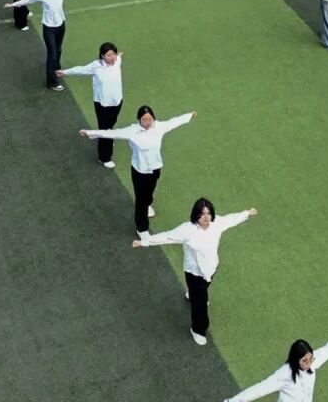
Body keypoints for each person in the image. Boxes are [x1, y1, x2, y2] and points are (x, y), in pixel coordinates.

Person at [132, 198, 257, 345]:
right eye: (202, 214)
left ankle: (192, 295)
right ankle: (198, 329)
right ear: (196, 214)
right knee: (201, 304)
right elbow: (167, 236)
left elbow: (231, 219)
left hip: (211, 268)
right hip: (194, 273)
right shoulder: (187, 230)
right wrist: (144, 242)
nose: (206, 217)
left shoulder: (217, 223)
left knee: (199, 293)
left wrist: (247, 213)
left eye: (208, 213)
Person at [83, 106, 194, 236]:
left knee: (150, 192)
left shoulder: (159, 127)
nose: (147, 122)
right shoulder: (132, 131)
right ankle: (142, 229)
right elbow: (111, 133)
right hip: (139, 171)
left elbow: (174, 122)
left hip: (155, 168)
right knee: (141, 200)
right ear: (139, 120)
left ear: (153, 118)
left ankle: (148, 204)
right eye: (144, 120)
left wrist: (189, 115)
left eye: (149, 119)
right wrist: (89, 132)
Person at [7, 0, 97, 89]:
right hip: (49, 28)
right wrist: (13, 4)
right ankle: (52, 82)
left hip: (61, 25)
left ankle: (56, 68)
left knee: (58, 49)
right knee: (52, 54)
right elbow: (29, 0)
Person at [60, 43, 124, 167]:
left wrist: (119, 54)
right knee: (105, 130)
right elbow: (81, 69)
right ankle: (104, 158)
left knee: (110, 124)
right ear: (102, 56)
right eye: (108, 55)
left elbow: (120, 55)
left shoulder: (117, 61)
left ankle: (107, 137)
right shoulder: (96, 66)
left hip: (117, 101)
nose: (112, 57)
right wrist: (66, 72)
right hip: (102, 104)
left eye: (113, 54)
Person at [224, 339, 328, 401]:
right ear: (295, 359)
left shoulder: (312, 362)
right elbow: (260, 388)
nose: (309, 363)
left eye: (310, 359)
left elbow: (326, 351)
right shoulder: (284, 374)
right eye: (304, 360)